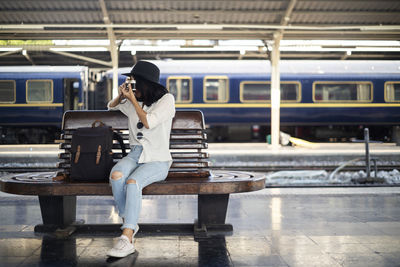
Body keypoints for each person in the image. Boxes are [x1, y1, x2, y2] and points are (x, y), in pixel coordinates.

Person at [106, 61, 175, 258]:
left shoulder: (167, 100)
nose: (132, 85)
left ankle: (126, 237)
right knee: (117, 176)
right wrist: (122, 95)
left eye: (135, 81)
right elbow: (111, 106)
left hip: (158, 158)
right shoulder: (132, 101)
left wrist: (134, 102)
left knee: (132, 183)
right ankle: (130, 222)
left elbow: (148, 122)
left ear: (146, 83)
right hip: (135, 154)